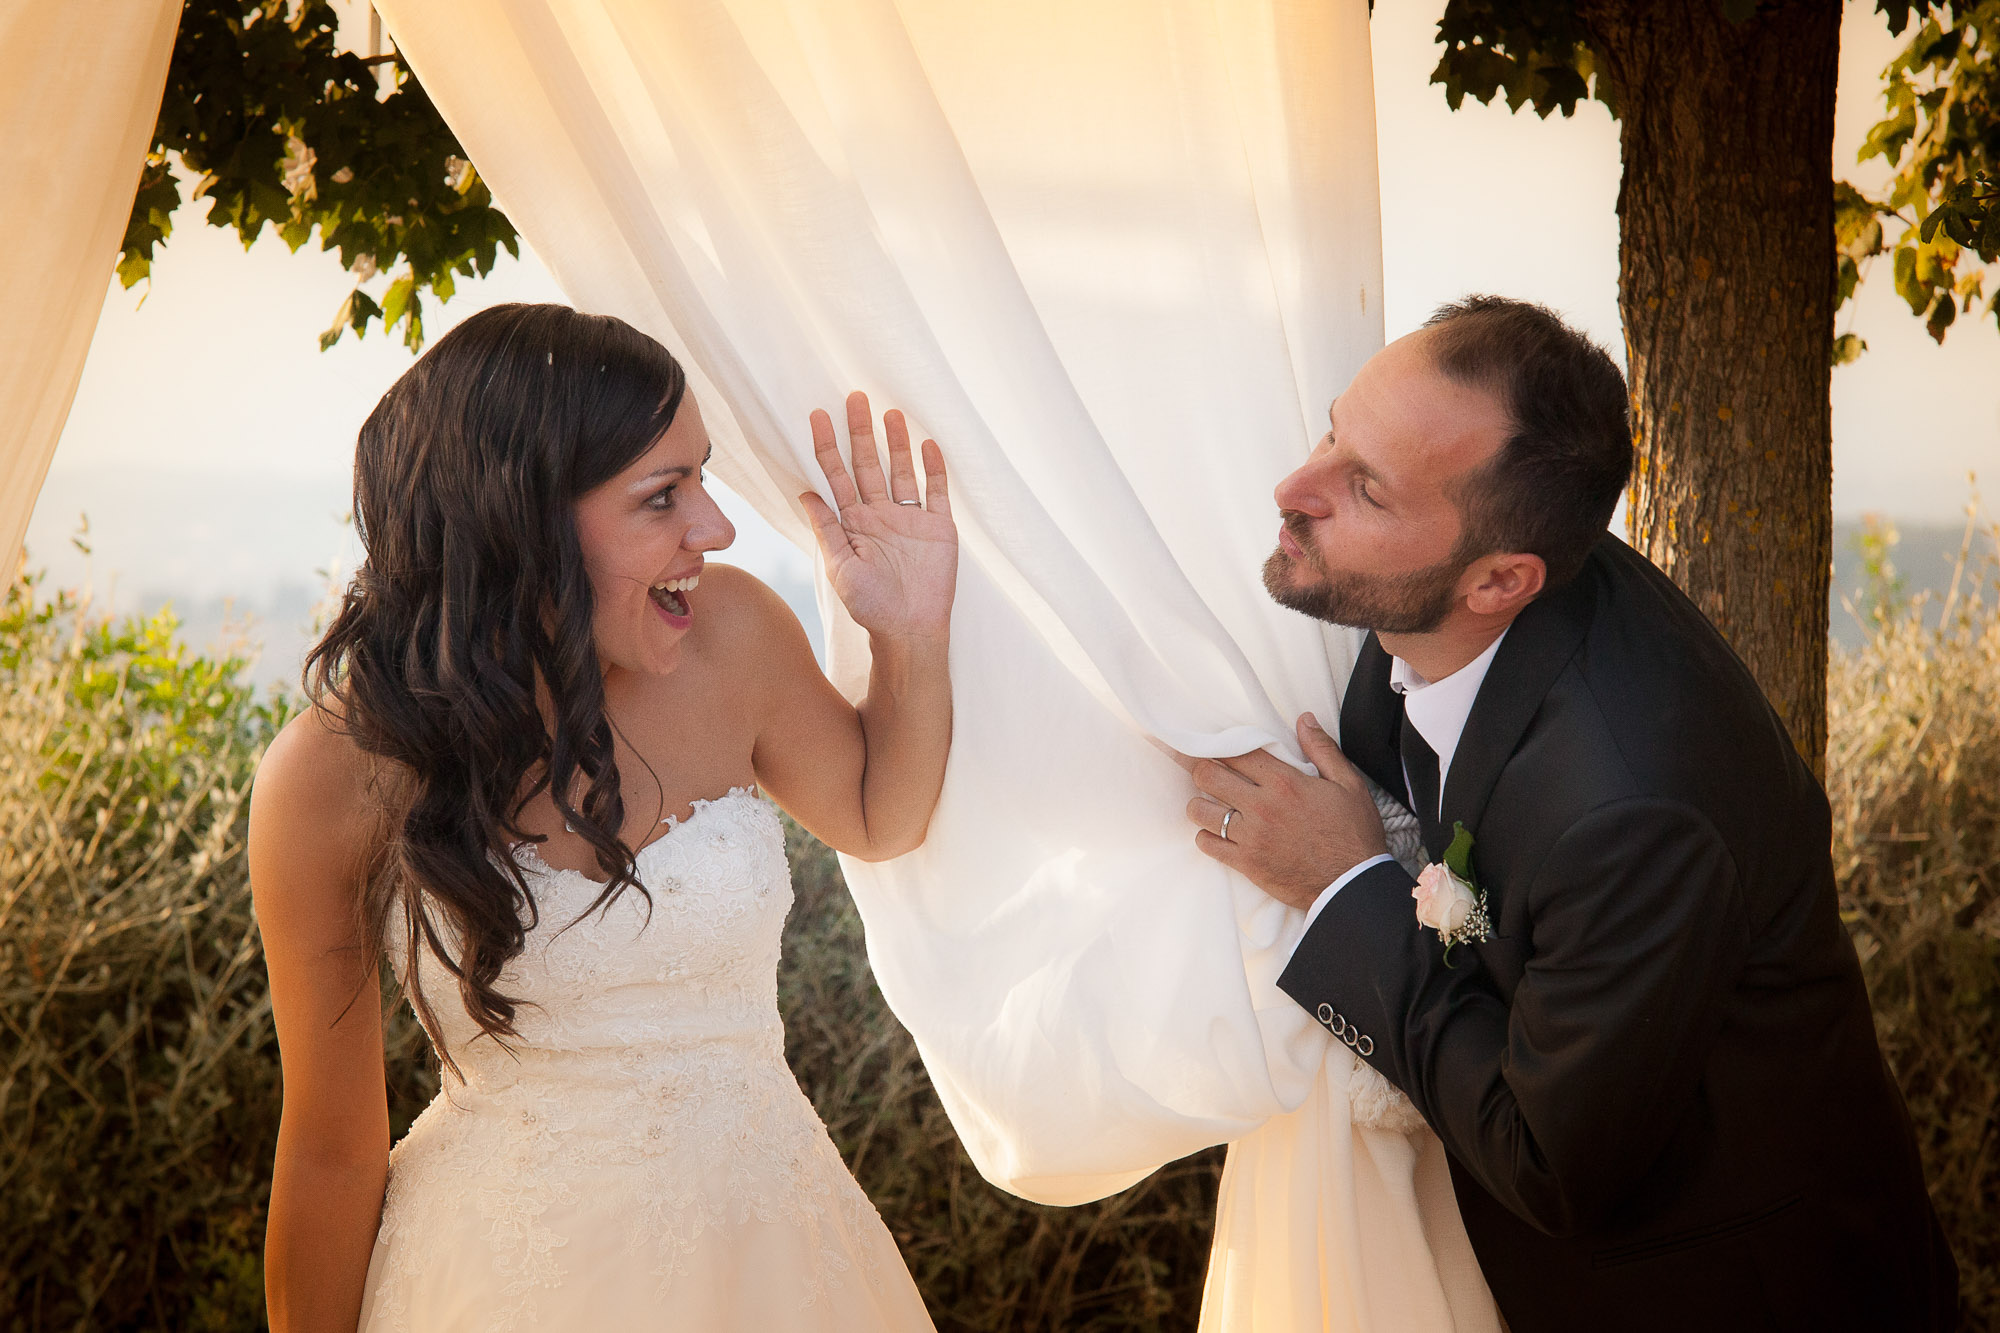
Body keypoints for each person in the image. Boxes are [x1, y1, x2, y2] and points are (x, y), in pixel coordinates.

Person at [1183, 296, 1958, 1331]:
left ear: (1500, 580)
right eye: (1333, 430)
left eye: (1362, 487)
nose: (1293, 487)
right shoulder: (1428, 596)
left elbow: (1549, 1162)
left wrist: (1342, 888)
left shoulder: (1630, 808)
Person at [247, 302, 954, 1332]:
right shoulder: (333, 774)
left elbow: (878, 813)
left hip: (777, 1265)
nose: (712, 529)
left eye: (701, 478)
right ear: (520, 523)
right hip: (493, 1282)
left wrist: (910, 632)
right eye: (662, 496)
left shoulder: (737, 634)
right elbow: (330, 1150)